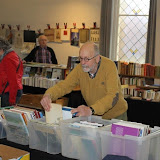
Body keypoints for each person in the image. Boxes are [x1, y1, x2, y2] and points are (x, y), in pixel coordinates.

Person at [40, 42, 128, 120]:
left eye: (86, 59)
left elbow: (113, 95)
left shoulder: (109, 66)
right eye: (81, 58)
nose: (82, 63)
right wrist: (49, 95)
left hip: (116, 116)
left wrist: (91, 109)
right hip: (96, 115)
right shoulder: (80, 69)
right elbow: (64, 85)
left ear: (97, 58)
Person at [0, 37, 23, 107]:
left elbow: (13, 80)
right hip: (8, 92)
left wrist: (12, 101)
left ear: (2, 49)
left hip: (9, 93)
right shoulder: (11, 56)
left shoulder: (8, 58)